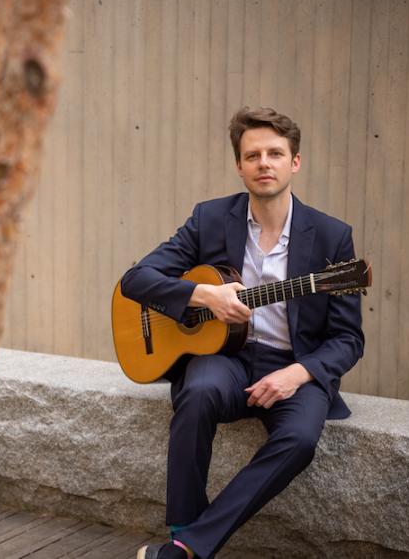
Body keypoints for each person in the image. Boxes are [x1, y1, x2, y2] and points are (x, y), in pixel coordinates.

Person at [121, 107, 365, 559]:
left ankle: (187, 547)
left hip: (294, 367)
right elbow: (136, 280)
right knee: (197, 394)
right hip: (226, 359)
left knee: (300, 441)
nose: (264, 163)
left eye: (275, 153)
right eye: (252, 155)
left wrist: (299, 373)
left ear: (295, 162)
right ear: (239, 165)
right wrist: (204, 296)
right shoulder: (211, 219)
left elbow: (349, 339)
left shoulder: (332, 237)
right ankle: (182, 528)